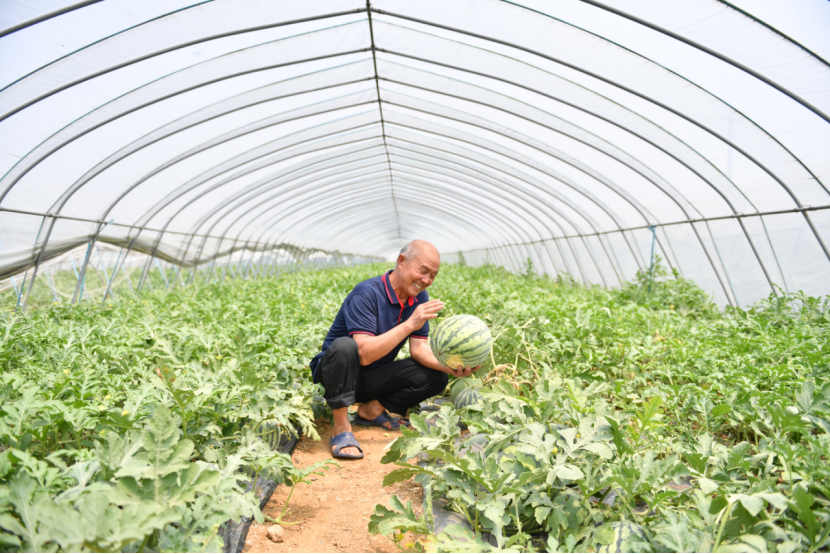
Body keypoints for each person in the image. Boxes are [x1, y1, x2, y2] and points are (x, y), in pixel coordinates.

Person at [309, 240, 480, 459]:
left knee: (436, 376)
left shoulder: (418, 297)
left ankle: (371, 410)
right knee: (345, 346)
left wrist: (451, 367)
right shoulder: (366, 293)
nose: (426, 280)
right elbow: (363, 354)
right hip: (338, 376)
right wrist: (410, 324)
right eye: (423, 271)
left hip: (372, 377)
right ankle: (341, 427)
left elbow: (419, 349)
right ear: (401, 261)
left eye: (433, 275)